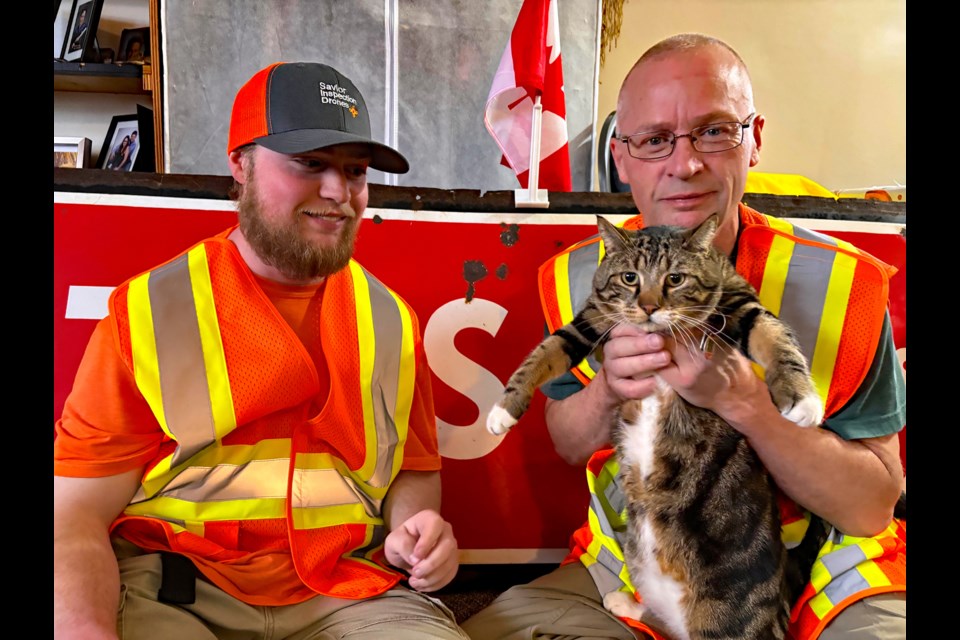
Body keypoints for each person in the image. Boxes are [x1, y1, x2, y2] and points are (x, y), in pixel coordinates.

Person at [462, 33, 906, 640]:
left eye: (716, 131)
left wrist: (748, 405)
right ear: (621, 157)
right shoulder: (577, 276)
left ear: (754, 141)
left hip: (830, 574)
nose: (686, 163)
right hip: (635, 564)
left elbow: (873, 504)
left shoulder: (842, 281)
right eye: (653, 141)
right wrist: (607, 390)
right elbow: (567, 443)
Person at [54, 61, 468, 640]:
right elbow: (72, 517)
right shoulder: (148, 311)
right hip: (176, 593)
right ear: (240, 165)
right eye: (310, 164)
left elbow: (413, 472)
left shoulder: (392, 319)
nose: (338, 193)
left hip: (345, 590)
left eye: (354, 171)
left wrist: (417, 528)